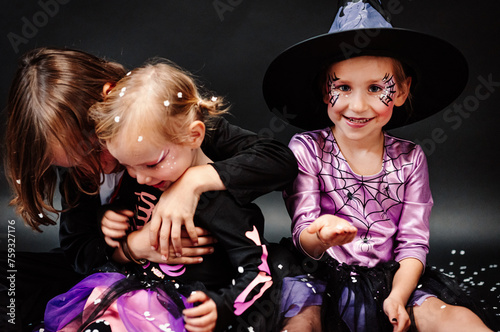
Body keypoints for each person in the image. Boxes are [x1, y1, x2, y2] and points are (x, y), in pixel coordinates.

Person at [3, 47, 298, 329]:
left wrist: (190, 183)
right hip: (125, 271)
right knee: (13, 276)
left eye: (93, 150)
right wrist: (131, 245)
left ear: (107, 102)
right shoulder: (84, 176)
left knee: (284, 267)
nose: (94, 168)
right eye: (72, 164)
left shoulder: (171, 127)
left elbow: (278, 160)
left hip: (207, 273)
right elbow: (79, 252)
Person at [263, 0, 497, 331]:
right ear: (323, 90)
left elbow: (413, 243)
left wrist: (398, 296)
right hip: (320, 274)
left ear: (401, 91)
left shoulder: (410, 158)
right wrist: (322, 234)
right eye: (342, 87)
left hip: (392, 278)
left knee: (452, 316)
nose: (357, 106)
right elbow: (304, 236)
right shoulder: (308, 149)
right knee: (302, 317)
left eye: (376, 88)